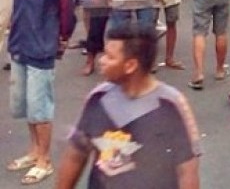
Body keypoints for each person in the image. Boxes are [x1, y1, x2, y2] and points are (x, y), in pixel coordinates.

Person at [55, 24, 201, 189]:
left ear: (130, 66)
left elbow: (187, 171)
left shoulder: (171, 105)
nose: (101, 61)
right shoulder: (98, 98)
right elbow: (76, 155)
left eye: (110, 57)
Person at [6, 0, 74, 186]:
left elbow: (67, 15)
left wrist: (60, 41)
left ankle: (44, 160)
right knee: (25, 106)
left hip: (41, 50)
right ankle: (34, 152)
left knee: (41, 108)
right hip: (19, 46)